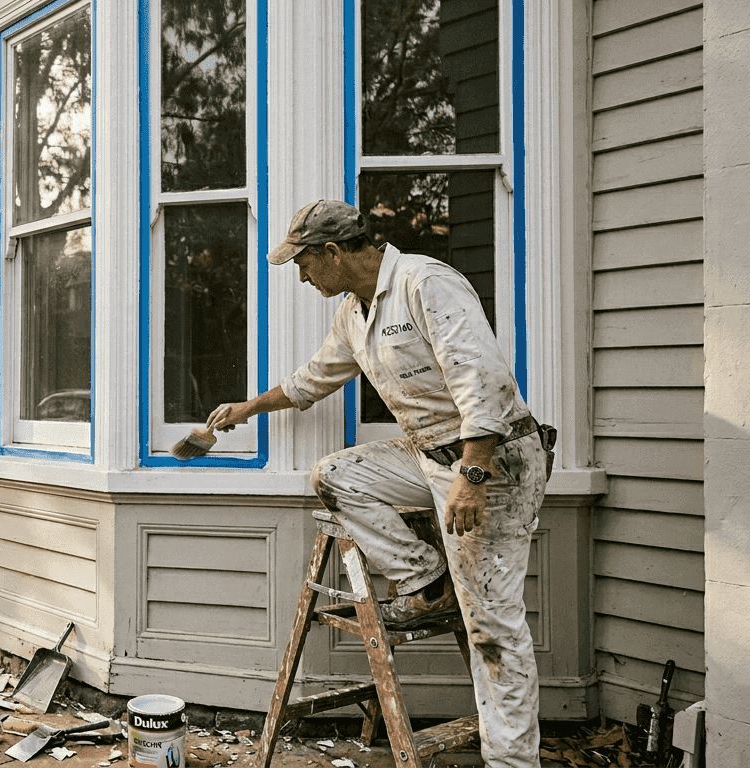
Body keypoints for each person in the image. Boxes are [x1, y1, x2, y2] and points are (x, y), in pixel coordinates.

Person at [206, 200, 549, 768]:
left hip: (494, 460)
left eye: (304, 264)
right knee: (335, 475)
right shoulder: (353, 312)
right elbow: (313, 379)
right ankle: (425, 579)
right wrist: (247, 408)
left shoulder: (425, 283)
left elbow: (481, 377)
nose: (303, 276)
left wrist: (473, 473)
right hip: (428, 455)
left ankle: (513, 762)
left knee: (492, 624)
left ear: (333, 252)